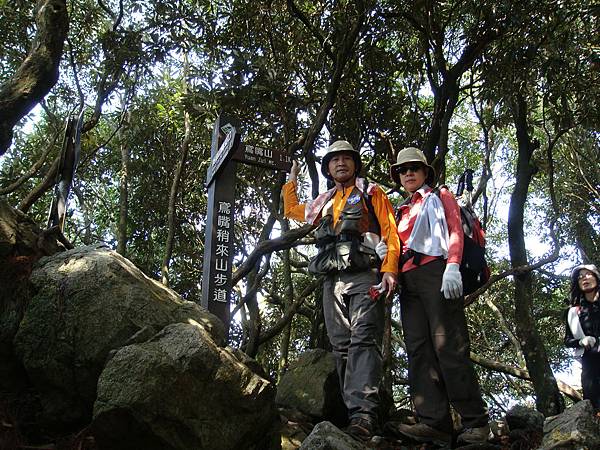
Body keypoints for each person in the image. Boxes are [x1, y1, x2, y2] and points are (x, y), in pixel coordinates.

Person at [282, 140, 400, 442]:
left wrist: (389, 270)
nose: (341, 164)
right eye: (335, 160)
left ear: (355, 164)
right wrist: (291, 180)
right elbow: (294, 210)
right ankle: (352, 415)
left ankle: (364, 415)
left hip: (365, 273)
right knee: (342, 345)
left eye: (347, 158)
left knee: (363, 340)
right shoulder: (324, 200)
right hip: (332, 279)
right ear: (328, 168)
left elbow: (390, 231)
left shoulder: (373, 192)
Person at [382, 146, 489, 446]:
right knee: (418, 349)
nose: (409, 173)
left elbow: (454, 228)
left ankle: (475, 422)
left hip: (437, 272)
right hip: (408, 282)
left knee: (449, 346)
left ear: (425, 172)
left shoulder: (439, 196)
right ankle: (434, 423)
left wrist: (453, 266)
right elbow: (395, 245)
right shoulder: (401, 210)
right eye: (403, 170)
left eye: (415, 167)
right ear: (399, 177)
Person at [564, 264, 600, 411]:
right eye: (580, 277)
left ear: (597, 277)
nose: (584, 278)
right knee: (593, 409)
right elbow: (567, 340)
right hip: (590, 367)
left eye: (588, 274)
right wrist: (580, 341)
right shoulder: (574, 312)